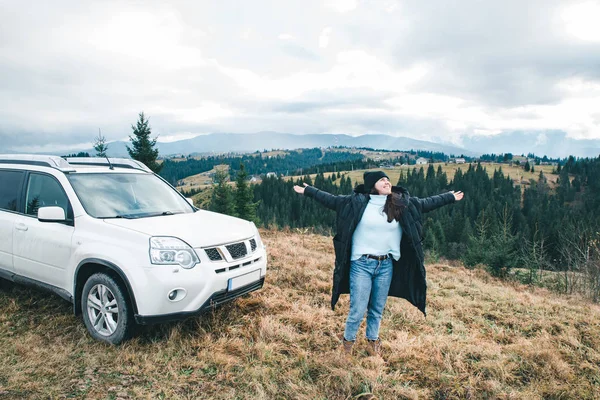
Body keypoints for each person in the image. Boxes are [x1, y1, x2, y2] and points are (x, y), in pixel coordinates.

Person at [293, 170, 463, 356]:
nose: (387, 182)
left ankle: (372, 343)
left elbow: (427, 203)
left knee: (376, 309)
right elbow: (331, 200)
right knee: (357, 310)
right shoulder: (355, 203)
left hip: (385, 266)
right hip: (361, 265)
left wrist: (449, 197)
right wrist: (309, 191)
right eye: (382, 180)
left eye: (388, 179)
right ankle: (347, 346)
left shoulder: (401, 204)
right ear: (372, 185)